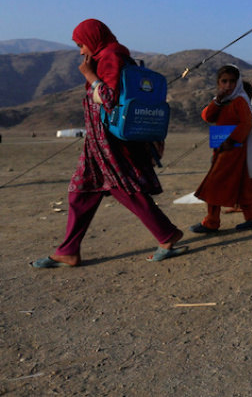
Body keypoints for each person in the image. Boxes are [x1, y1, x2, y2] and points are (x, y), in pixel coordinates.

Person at [30, 19, 185, 268]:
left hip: (109, 143)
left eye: (81, 44)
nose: (81, 51)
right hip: (97, 143)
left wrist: (90, 75)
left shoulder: (111, 57)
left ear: (93, 39)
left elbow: (109, 97)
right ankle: (68, 250)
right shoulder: (110, 55)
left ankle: (167, 235)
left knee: (123, 189)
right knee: (80, 193)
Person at [190, 65, 252, 233]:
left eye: (232, 81)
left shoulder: (239, 100)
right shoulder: (223, 101)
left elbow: (246, 123)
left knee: (214, 183)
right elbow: (207, 116)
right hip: (224, 149)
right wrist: (217, 101)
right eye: (224, 81)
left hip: (235, 150)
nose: (228, 85)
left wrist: (231, 140)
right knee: (243, 183)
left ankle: (211, 221)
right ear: (218, 82)